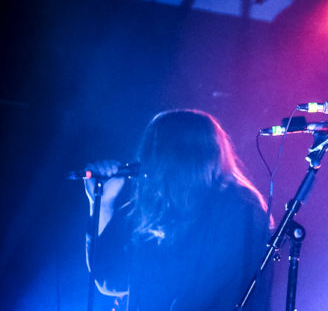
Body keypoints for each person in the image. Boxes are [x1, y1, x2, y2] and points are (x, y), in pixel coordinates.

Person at [84, 109, 271, 310]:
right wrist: (102, 202)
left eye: (155, 150)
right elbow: (110, 280)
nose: (145, 162)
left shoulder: (238, 210)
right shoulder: (151, 210)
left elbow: (219, 295)